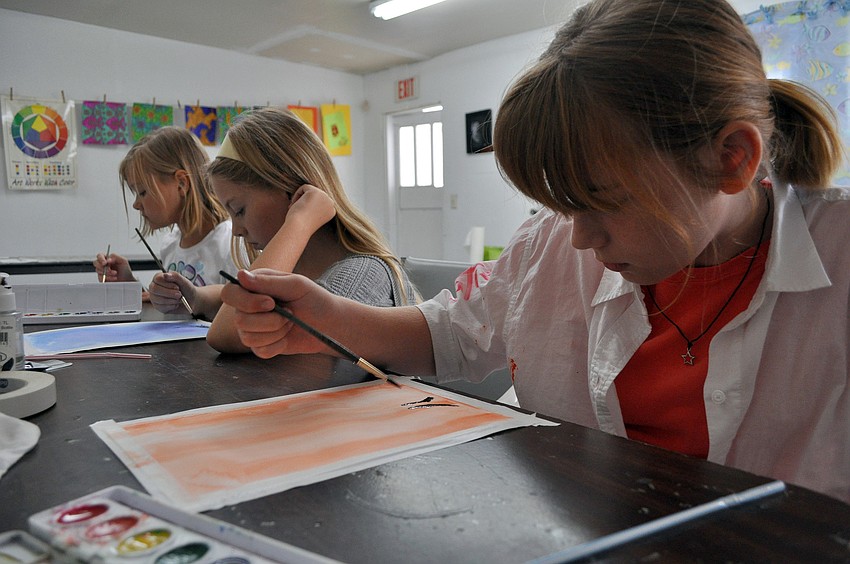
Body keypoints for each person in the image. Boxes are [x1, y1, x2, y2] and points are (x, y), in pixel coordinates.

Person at [218, 0, 850, 503]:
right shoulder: (550, 245)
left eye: (603, 200)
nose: (579, 237)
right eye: (562, 204)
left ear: (730, 159)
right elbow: (452, 335)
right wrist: (326, 317)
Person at [203, 107, 417, 353]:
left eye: (239, 210)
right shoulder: (297, 268)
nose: (236, 231)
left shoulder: (364, 271)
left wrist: (299, 222)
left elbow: (226, 333)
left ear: (288, 188)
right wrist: (199, 299)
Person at [93, 126, 237, 315]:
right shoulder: (170, 244)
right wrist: (128, 283)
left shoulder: (230, 243)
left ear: (181, 183)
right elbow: (174, 312)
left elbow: (237, 310)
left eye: (142, 192)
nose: (136, 204)